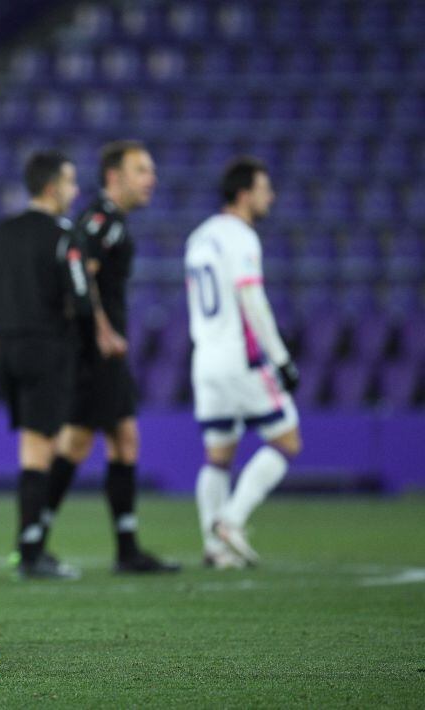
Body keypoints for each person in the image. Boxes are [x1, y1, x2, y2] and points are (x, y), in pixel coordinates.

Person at [58, 140, 180, 573]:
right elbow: (80, 271)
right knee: (90, 441)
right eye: (142, 170)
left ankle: (44, 536)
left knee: (100, 439)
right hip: (97, 349)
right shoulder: (101, 221)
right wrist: (105, 330)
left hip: (97, 348)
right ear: (115, 176)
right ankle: (38, 539)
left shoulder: (109, 221)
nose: (152, 179)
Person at [0, 151, 90, 579]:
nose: (75, 192)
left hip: (5, 351)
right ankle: (31, 548)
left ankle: (32, 540)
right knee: (43, 447)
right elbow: (79, 300)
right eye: (71, 182)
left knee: (38, 443)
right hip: (47, 349)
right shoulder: (63, 234)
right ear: (52, 186)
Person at [185, 157, 302, 568]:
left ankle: (215, 548)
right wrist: (282, 359)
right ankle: (230, 522)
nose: (270, 197)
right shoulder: (242, 237)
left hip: (205, 359)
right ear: (244, 193)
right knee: (287, 441)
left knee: (218, 455)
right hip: (241, 356)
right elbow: (251, 299)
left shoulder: (199, 237)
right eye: (265, 189)